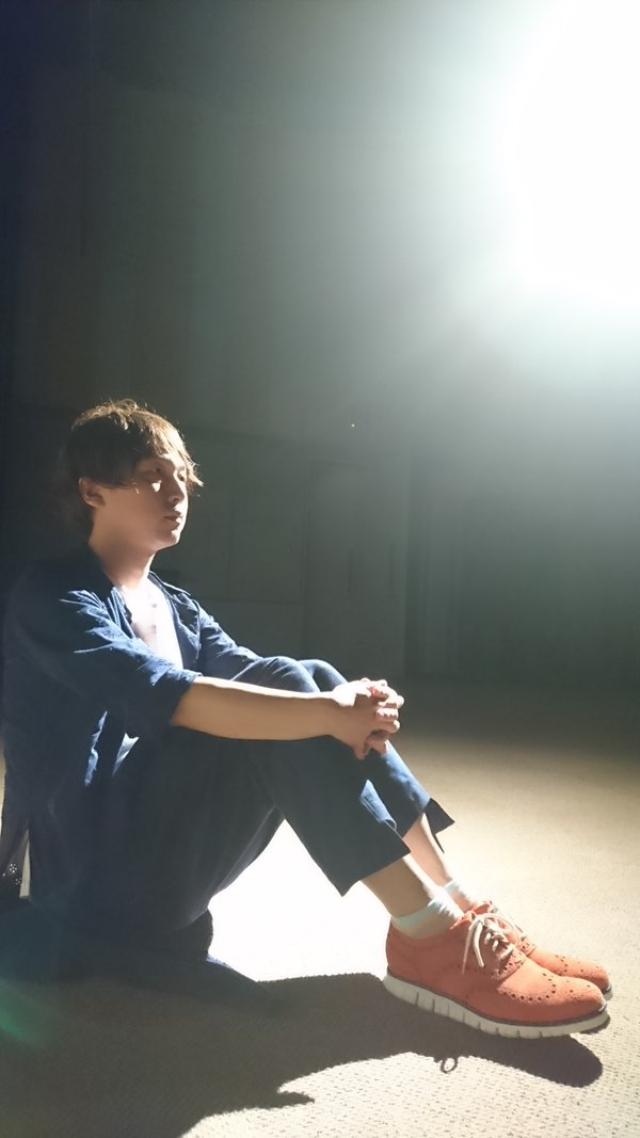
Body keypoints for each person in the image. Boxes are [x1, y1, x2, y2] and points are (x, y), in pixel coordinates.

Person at [0, 398, 611, 1039]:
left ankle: (456, 908)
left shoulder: (173, 603)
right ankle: (427, 934)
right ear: (92, 491)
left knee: (309, 675)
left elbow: (255, 672)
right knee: (299, 694)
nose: (176, 492)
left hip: (155, 863)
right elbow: (167, 693)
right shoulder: (55, 595)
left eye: (181, 475)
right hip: (82, 888)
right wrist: (327, 712)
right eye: (152, 476)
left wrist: (352, 703)